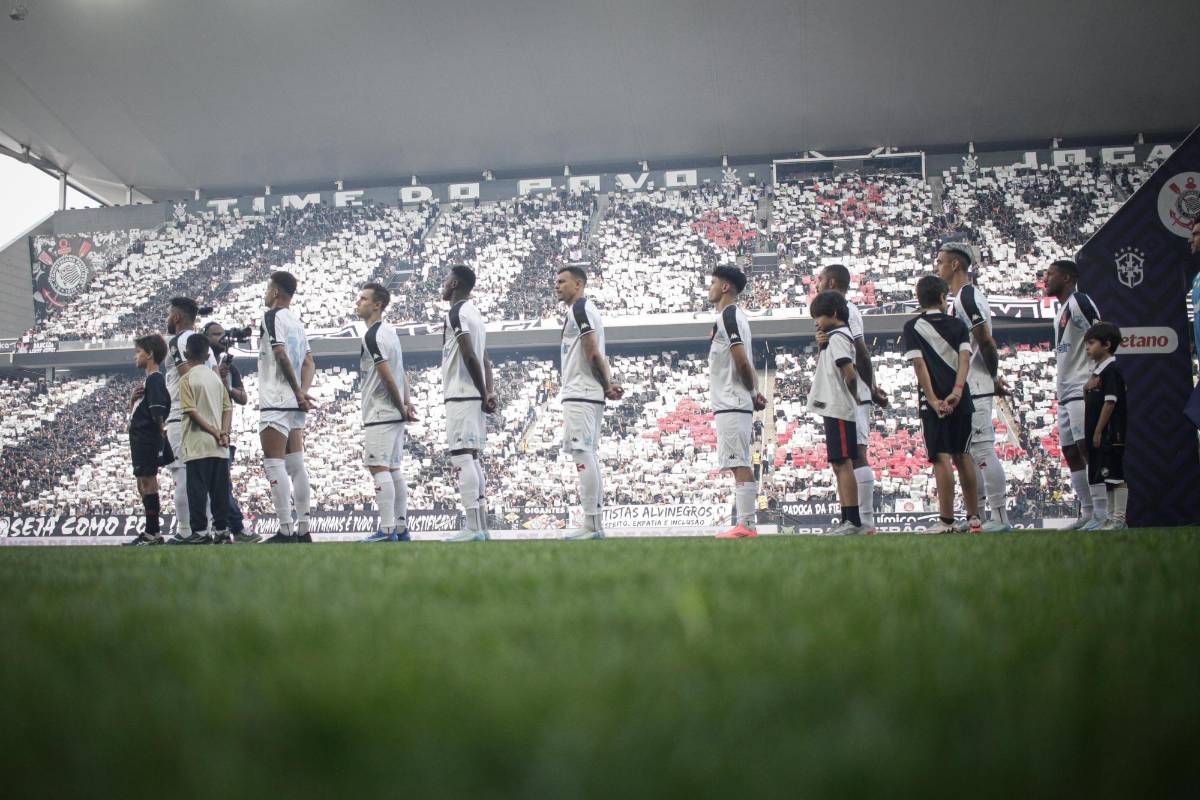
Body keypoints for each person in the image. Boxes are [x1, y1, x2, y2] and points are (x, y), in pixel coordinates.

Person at [936, 243, 1011, 532]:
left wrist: (992, 377)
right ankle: (978, 515)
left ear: (956, 265)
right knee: (967, 453)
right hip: (969, 385)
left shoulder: (968, 297)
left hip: (977, 385)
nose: (937, 267)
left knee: (981, 451)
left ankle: (1000, 517)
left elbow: (987, 341)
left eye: (941, 262)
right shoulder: (960, 299)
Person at [903, 276, 982, 534]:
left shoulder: (913, 326)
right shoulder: (958, 324)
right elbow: (965, 360)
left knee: (942, 457)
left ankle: (946, 521)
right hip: (961, 397)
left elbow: (919, 365)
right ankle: (974, 519)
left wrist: (933, 399)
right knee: (963, 454)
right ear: (941, 298)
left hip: (932, 401)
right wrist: (958, 392)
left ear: (920, 299)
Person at [814, 264, 887, 534]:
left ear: (831, 282)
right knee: (846, 456)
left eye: (820, 279)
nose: (816, 283)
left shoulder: (847, 311)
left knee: (856, 454)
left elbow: (860, 351)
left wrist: (870, 387)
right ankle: (855, 519)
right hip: (845, 392)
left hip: (852, 393)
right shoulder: (834, 320)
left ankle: (863, 521)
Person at [555, 266, 623, 540]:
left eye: (562, 281)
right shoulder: (584, 311)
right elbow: (595, 354)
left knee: (582, 454)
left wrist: (607, 384)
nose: (557, 286)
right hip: (587, 391)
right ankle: (593, 524)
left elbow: (593, 351)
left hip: (581, 392)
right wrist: (607, 382)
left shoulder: (580, 310)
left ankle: (592, 525)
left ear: (578, 284)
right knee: (587, 454)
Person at [1043, 259, 1105, 529]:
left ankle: (1103, 513)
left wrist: (1098, 373)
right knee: (1070, 450)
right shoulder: (1061, 311)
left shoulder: (1079, 301)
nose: (1045, 279)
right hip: (1066, 391)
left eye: (1051, 274)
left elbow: (1102, 332)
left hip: (1082, 387)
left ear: (1067, 277)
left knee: (1087, 447)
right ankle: (1088, 512)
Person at [706, 266, 767, 539]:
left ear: (725, 287)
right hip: (733, 399)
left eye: (713, 283)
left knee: (738, 462)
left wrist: (753, 393)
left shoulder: (729, 316)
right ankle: (746, 524)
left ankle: (746, 525)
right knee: (737, 461)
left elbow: (741, 359)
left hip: (732, 399)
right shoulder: (733, 317)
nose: (710, 288)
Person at [439, 265, 499, 543]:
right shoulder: (475, 315)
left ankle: (474, 528)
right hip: (473, 394)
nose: (443, 283)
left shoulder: (457, 312)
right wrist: (488, 391)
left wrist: (483, 391)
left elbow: (469, 356)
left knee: (462, 456)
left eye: (446, 279)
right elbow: (485, 358)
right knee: (472, 457)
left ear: (454, 283)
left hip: (462, 393)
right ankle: (481, 526)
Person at [257, 271, 316, 544]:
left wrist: (295, 391)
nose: (267, 292)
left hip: (276, 398)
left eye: (269, 288)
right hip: (294, 401)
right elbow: (308, 362)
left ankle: (284, 529)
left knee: (274, 463)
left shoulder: (272, 316)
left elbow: (280, 354)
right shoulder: (298, 322)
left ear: (277, 292)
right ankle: (303, 528)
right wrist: (303, 393)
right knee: (296, 464)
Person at [355, 283, 416, 543]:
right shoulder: (391, 333)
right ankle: (401, 528)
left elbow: (387, 375)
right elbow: (400, 370)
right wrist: (407, 402)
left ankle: (387, 529)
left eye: (363, 299)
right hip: (394, 411)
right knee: (393, 469)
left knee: (378, 467)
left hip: (381, 411)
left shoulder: (373, 335)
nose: (358, 302)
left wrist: (401, 404)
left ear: (377, 305)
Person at [807, 291, 869, 535]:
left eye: (818, 316)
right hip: (835, 406)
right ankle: (847, 518)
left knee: (843, 463)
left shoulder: (840, 337)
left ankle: (852, 520)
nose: (816, 322)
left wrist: (854, 398)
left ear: (833, 314)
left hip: (840, 407)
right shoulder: (833, 338)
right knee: (838, 464)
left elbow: (849, 373)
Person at [158, 297, 214, 543]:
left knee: (181, 473)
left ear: (177, 317)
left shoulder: (178, 342)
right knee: (201, 476)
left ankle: (183, 531)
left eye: (169, 315)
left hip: (183, 413)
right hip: (205, 413)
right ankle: (205, 530)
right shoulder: (203, 346)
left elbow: (188, 376)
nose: (168, 319)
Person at [175, 334, 233, 545]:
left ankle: (200, 531)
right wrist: (223, 433)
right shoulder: (215, 379)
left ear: (186, 354)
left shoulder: (187, 379)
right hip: (219, 447)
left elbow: (191, 412)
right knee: (219, 492)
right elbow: (228, 408)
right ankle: (222, 530)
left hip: (198, 444)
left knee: (197, 491)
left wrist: (214, 432)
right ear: (208, 355)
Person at [203, 321, 258, 543]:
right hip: (206, 426)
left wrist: (227, 388)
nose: (221, 338)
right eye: (215, 334)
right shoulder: (201, 363)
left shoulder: (229, 367)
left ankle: (231, 527)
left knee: (220, 485)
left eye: (222, 334)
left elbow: (243, 398)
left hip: (223, 430)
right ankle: (226, 528)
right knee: (214, 485)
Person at [124, 334, 171, 546]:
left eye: (139, 352)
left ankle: (153, 532)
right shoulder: (149, 381)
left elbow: (158, 411)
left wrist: (160, 435)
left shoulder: (155, 379)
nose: (136, 356)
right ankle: (151, 531)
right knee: (142, 483)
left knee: (148, 483)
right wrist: (133, 401)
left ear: (150, 354)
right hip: (140, 439)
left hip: (147, 439)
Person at [1083, 322, 1129, 530]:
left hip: (1111, 433)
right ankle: (1110, 518)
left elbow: (1110, 402)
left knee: (1116, 476)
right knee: (1107, 477)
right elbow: (1090, 400)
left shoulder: (1111, 370)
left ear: (1107, 345)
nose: (1087, 348)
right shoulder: (1098, 373)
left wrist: (1099, 430)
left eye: (1091, 343)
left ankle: (1119, 518)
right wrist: (1086, 388)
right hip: (1100, 432)